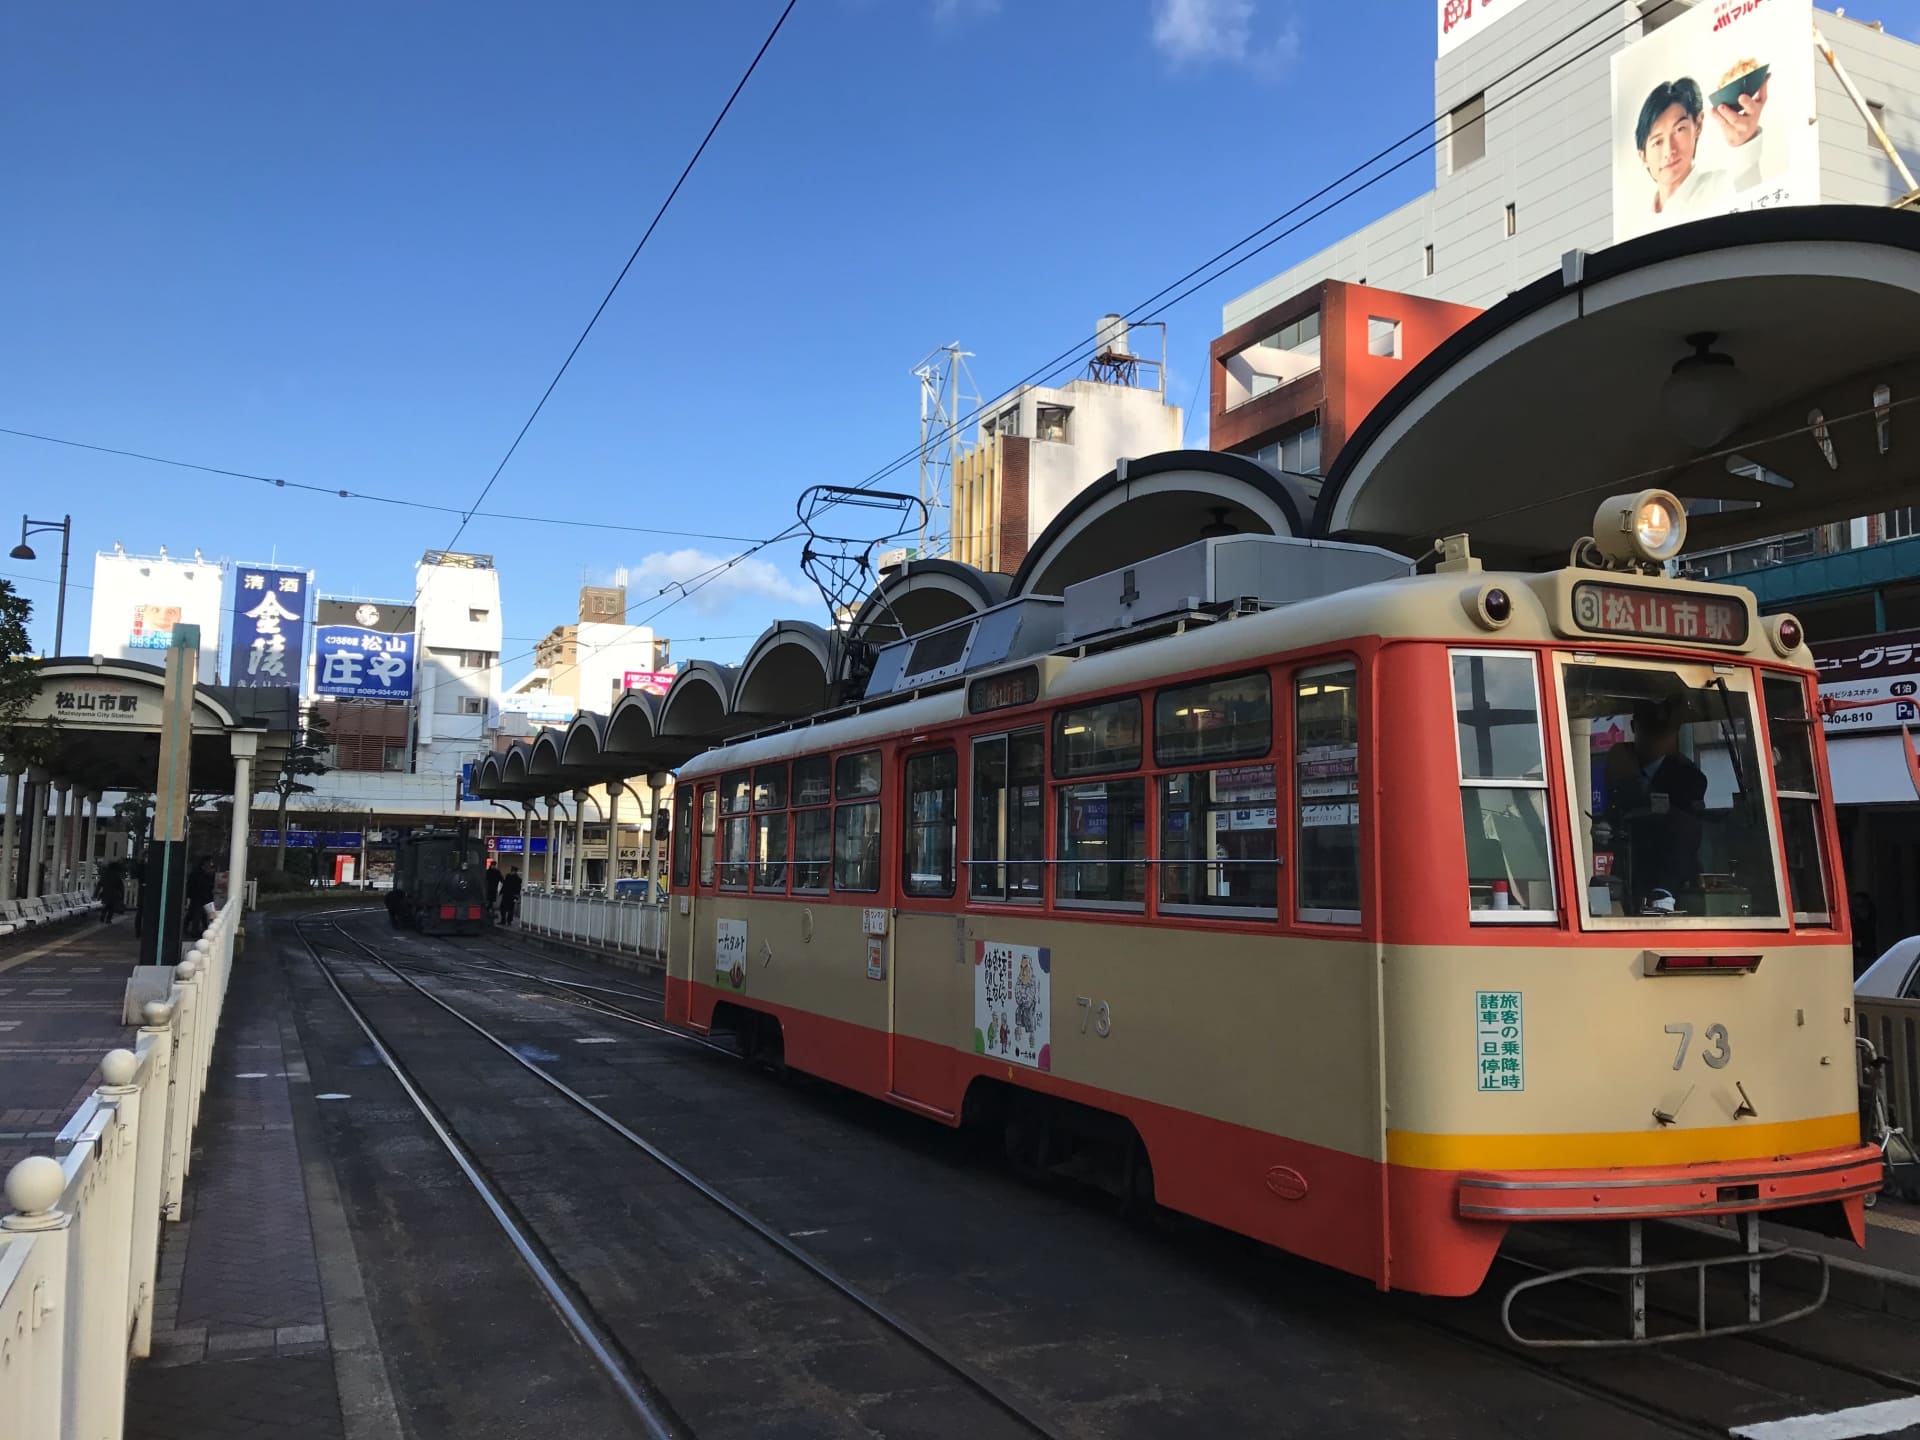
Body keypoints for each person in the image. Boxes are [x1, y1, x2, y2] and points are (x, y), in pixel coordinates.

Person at [1606, 699, 1709, 914]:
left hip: (1672, 883)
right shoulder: (1621, 767)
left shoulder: (1689, 777)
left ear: (1673, 734)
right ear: (1635, 728)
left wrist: (1665, 889)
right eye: (1648, 730)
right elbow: (1614, 814)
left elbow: (1686, 829)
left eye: (1663, 732)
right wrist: (1604, 829)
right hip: (1629, 872)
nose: (1655, 740)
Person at [1634, 73, 1769, 224]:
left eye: (1679, 129)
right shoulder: (1639, 223)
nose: (1669, 151)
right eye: (1657, 142)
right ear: (1643, 157)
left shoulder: (1724, 187)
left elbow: (1750, 194)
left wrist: (1745, 141)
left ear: (1697, 125)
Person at [184, 856, 217, 939]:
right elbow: (192, 885)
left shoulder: (208, 874)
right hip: (198, 897)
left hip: (205, 897)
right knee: (197, 914)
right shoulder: (197, 873)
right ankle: (195, 931)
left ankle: (201, 929)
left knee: (198, 914)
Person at [95, 858, 125, 923]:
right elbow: (121, 886)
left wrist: (96, 893)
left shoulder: (105, 874)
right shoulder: (116, 875)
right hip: (114, 893)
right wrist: (122, 895)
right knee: (111, 907)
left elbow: (99, 884)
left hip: (105, 892)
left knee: (106, 906)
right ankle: (108, 919)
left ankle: (102, 916)